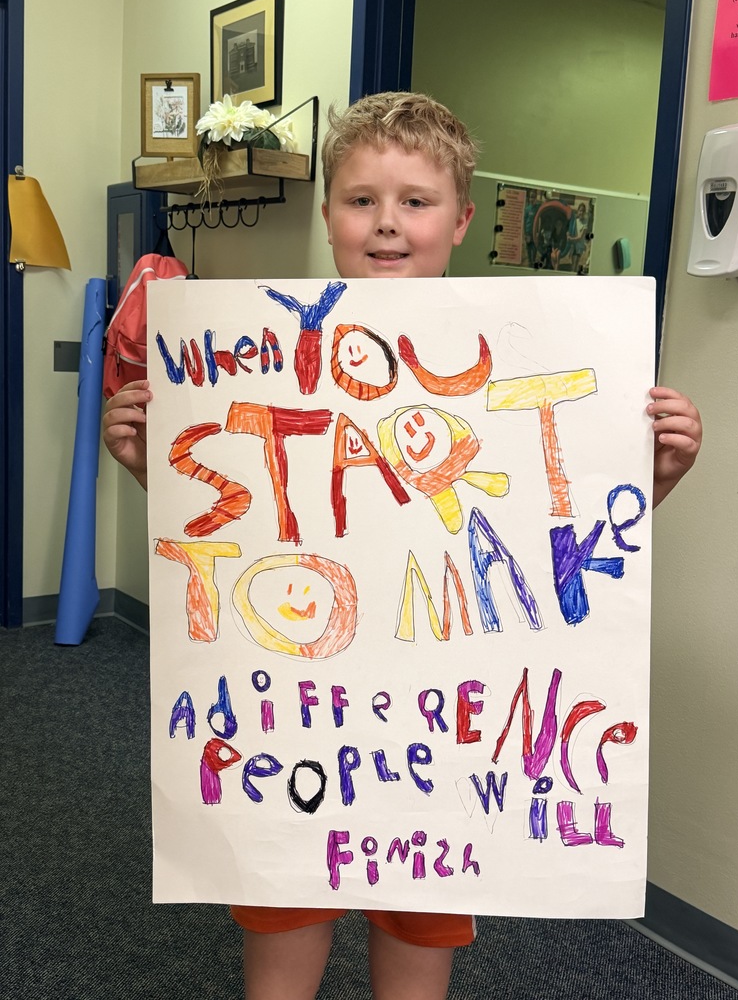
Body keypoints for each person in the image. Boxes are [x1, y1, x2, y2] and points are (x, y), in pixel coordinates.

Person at [102, 91, 703, 1000]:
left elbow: (560, 541)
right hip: (296, 712)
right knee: (281, 939)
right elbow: (235, 526)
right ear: (328, 212)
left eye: (415, 202)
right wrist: (152, 462)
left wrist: (651, 474)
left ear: (460, 219)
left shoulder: (520, 351)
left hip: (443, 729)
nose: (387, 225)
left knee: (418, 959)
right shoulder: (256, 349)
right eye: (361, 200)